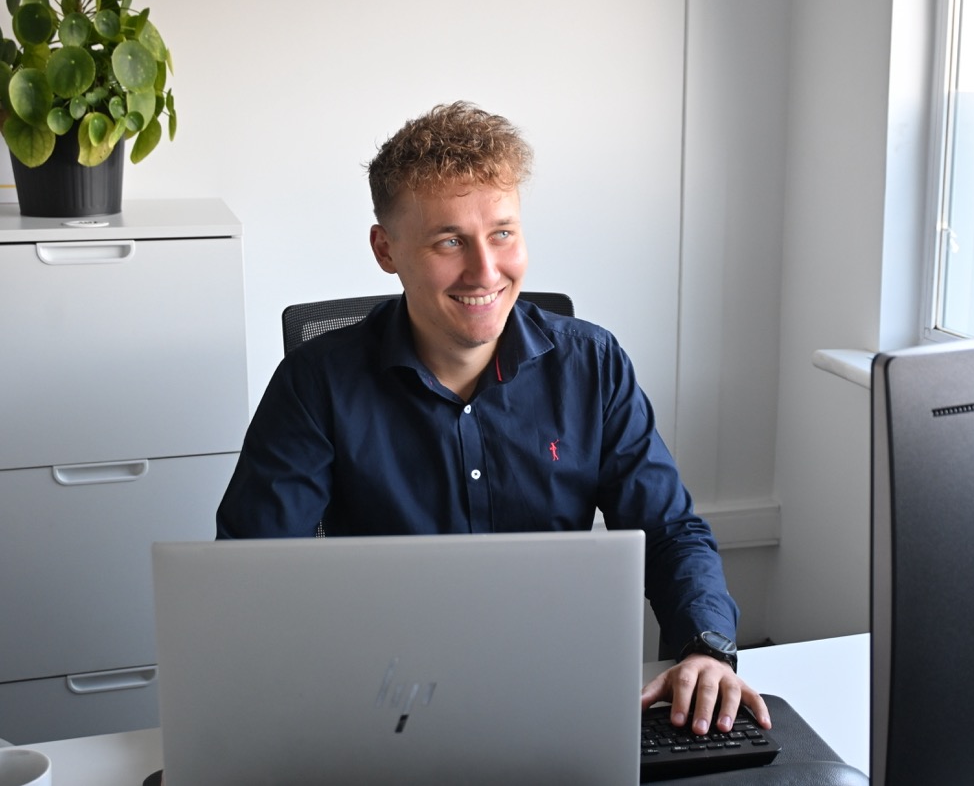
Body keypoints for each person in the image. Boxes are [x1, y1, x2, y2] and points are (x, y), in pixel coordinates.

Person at [216, 101, 771, 736]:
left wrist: (705, 648)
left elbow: (671, 532)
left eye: (502, 233)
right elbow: (251, 578)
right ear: (385, 249)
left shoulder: (593, 364)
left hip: (560, 694)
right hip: (384, 706)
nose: (486, 272)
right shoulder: (316, 383)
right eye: (449, 241)